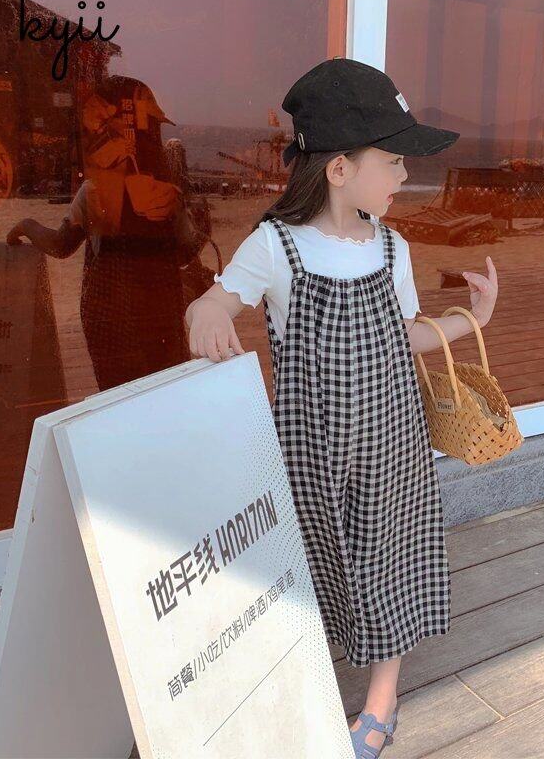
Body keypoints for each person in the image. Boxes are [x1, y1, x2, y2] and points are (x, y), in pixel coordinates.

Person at [185, 58, 498, 758]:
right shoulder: (277, 246)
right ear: (338, 169)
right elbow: (218, 299)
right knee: (308, 561)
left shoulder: (392, 246)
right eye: (393, 161)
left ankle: (383, 697)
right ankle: (300, 677)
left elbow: (404, 334)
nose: (404, 176)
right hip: (311, 450)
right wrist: (205, 313)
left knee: (387, 558)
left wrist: (472, 320)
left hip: (392, 440)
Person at [7, 76, 209, 392]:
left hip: (108, 316)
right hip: (159, 315)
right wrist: (203, 225)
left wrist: (26, 225)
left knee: (117, 400)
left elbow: (61, 245)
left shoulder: (95, 192)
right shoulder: (169, 195)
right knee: (164, 398)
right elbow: (184, 254)